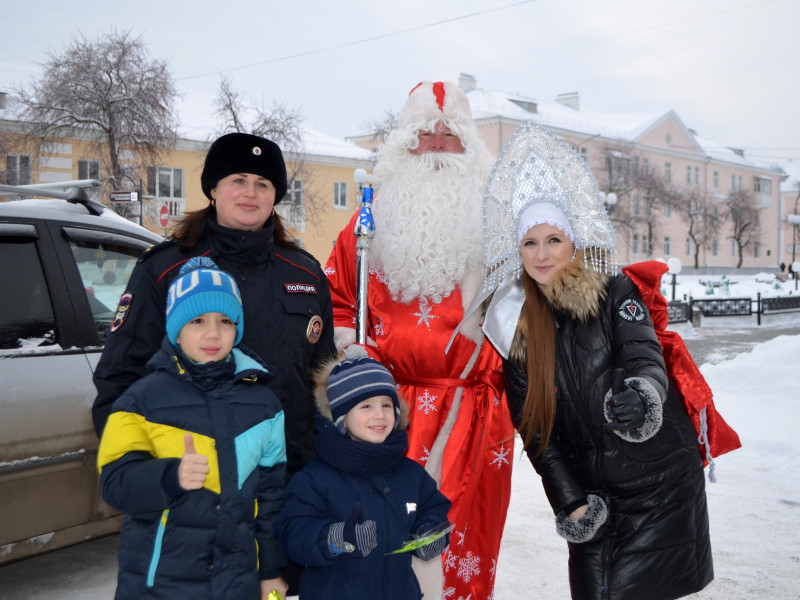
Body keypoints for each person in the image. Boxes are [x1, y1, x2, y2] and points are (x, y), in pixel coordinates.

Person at [478, 121, 715, 599]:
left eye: (553, 240)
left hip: (658, 483)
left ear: (573, 244)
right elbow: (536, 432)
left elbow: (641, 350)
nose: (542, 255)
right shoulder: (514, 327)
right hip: (596, 496)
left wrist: (642, 396)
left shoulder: (614, 291)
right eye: (530, 242)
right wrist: (570, 503)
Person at [92, 132, 337, 593]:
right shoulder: (166, 269)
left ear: (276, 196)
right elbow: (118, 383)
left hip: (283, 494)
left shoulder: (305, 274)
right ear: (212, 189)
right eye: (237, 180)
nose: (250, 192)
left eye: (263, 184)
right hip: (193, 500)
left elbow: (322, 389)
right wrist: (152, 479)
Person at [325, 80, 515, 598]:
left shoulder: (500, 226)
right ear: (403, 146)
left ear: (468, 145)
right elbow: (338, 296)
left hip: (474, 413)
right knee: (380, 547)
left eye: (448, 134)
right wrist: (351, 347)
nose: (435, 144)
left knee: (463, 548)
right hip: (388, 412)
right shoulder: (366, 225)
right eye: (423, 134)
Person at [97, 257, 287, 599]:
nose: (213, 333)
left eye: (225, 321)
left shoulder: (264, 405)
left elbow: (270, 500)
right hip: (160, 586)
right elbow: (114, 484)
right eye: (198, 320)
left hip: (236, 583)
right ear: (176, 327)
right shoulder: (139, 402)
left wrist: (270, 570)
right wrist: (171, 476)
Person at [276, 347, 452, 599]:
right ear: (340, 418)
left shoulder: (410, 473)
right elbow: (293, 535)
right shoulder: (315, 479)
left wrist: (430, 531)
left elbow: (433, 509)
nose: (380, 414)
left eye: (386, 404)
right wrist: (336, 537)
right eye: (366, 406)